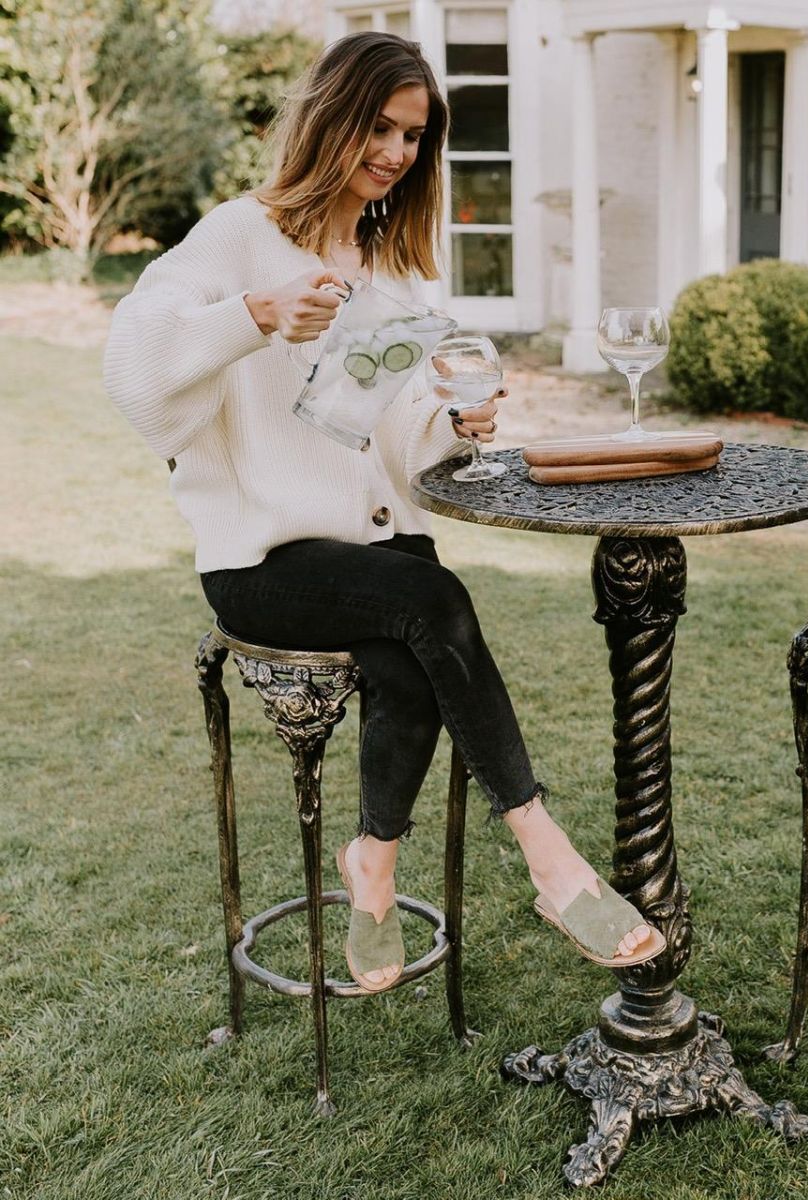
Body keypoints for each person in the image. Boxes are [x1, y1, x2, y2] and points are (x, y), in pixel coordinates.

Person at [104, 32, 663, 992]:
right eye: (382, 126)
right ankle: (547, 855)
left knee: (413, 632)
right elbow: (135, 365)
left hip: (376, 564)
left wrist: (457, 423)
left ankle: (373, 867)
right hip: (263, 565)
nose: (399, 153)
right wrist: (255, 314)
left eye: (415, 137)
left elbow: (402, 445)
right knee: (432, 602)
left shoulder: (395, 273)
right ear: (331, 114)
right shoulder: (241, 234)